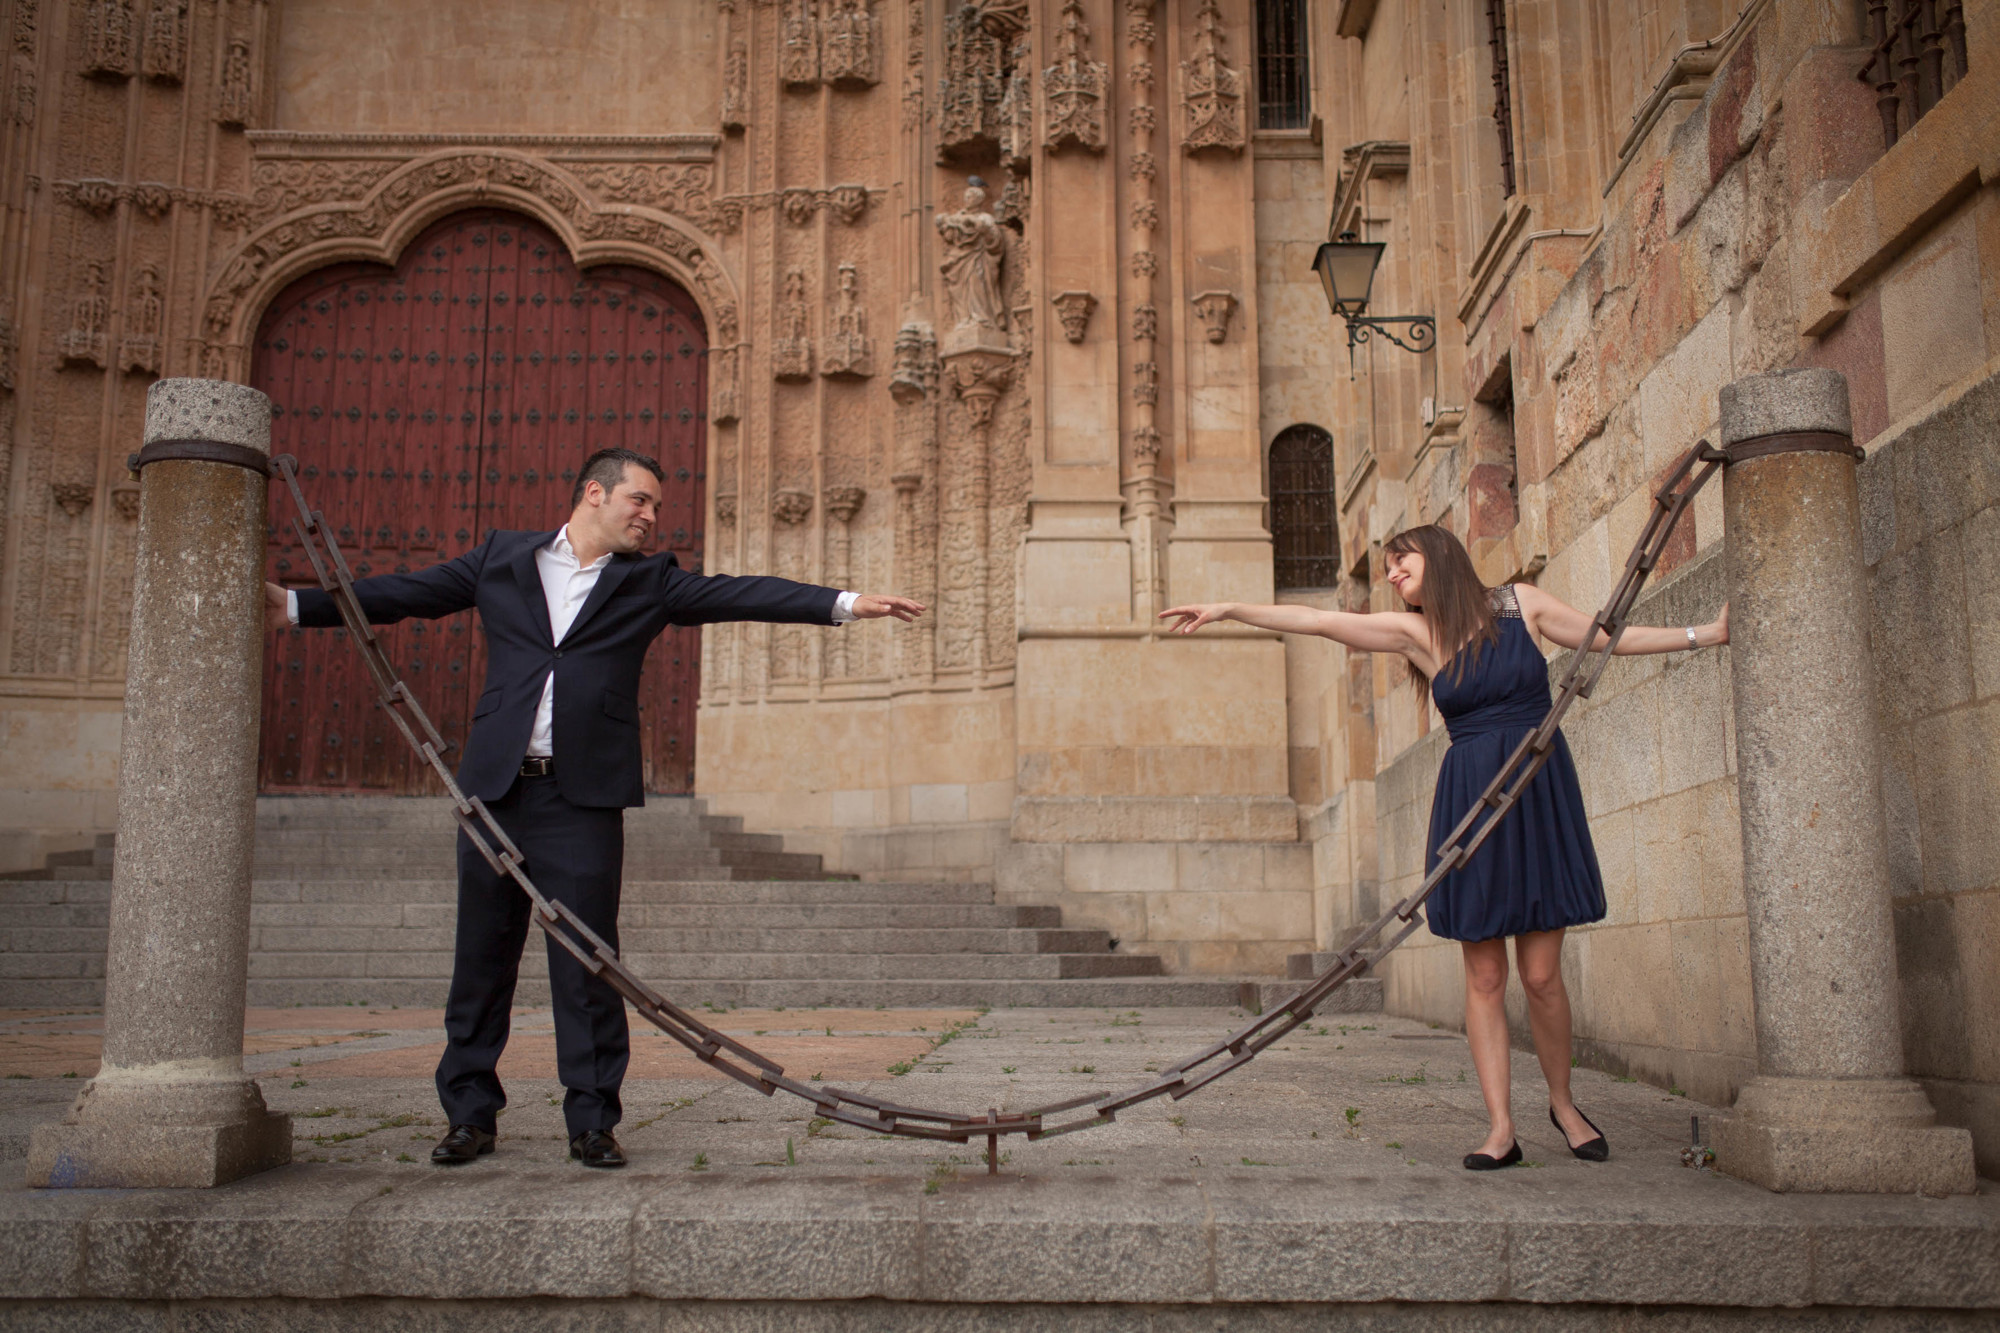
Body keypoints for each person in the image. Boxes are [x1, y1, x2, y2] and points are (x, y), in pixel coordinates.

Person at [266, 448, 923, 1169]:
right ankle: (469, 1116)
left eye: (656, 507)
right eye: (640, 500)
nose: (651, 516)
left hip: (580, 798)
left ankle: (592, 1121)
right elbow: (407, 593)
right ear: (594, 494)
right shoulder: (503, 558)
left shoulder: (650, 580)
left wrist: (845, 602)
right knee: (480, 959)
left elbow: (740, 593)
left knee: (587, 965)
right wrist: (295, 606)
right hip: (495, 790)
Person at [1160, 524, 1727, 1170]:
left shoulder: (1520, 603)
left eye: (1400, 560)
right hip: (1471, 805)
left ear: (1438, 554)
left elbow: (1606, 637)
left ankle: (1564, 1105)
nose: (1392, 574)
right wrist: (1229, 609)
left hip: (1536, 793)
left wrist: (1705, 634)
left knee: (1542, 976)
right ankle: (1500, 1128)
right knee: (1485, 974)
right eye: (1386, 568)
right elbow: (1318, 622)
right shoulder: (1417, 634)